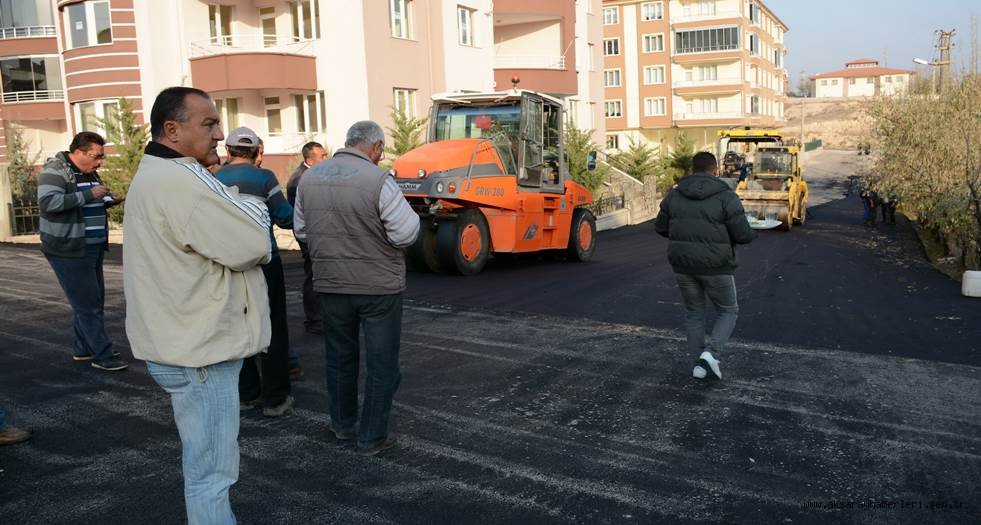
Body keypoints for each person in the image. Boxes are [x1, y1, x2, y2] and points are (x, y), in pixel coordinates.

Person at [123, 87, 273, 524]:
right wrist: (253, 210)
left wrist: (241, 210)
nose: (219, 133)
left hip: (185, 341)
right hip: (199, 351)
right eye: (208, 123)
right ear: (172, 129)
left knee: (207, 470)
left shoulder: (166, 173)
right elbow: (251, 241)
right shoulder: (180, 182)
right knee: (211, 475)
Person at [295, 121, 419, 456]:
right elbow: (406, 233)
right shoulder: (379, 180)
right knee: (381, 364)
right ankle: (372, 436)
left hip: (331, 284)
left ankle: (342, 425)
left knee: (338, 357)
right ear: (376, 147)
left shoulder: (309, 178)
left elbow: (302, 231)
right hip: (378, 287)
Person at [654, 152, 756, 381]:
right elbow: (742, 234)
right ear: (715, 169)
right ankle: (711, 354)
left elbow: (660, 228)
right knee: (728, 310)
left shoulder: (674, 195)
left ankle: (699, 365)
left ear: (692, 169)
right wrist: (755, 231)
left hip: (683, 265)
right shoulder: (726, 197)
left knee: (694, 312)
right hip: (717, 266)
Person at [213, 127, 294, 417]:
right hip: (264, 261)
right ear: (257, 152)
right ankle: (275, 399)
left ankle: (246, 393)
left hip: (226, 263)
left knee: (237, 326)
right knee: (272, 326)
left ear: (228, 151)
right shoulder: (264, 178)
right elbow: (285, 218)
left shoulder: (213, 178)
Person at [38, 132, 126, 371]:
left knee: (90, 300)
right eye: (97, 156)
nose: (100, 162)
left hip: (92, 247)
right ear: (80, 152)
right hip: (69, 248)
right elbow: (48, 203)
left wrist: (107, 200)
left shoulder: (87, 172)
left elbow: (83, 203)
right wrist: (89, 195)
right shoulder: (54, 171)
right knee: (88, 304)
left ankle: (84, 348)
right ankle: (103, 355)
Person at [287, 141, 328, 336]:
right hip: (309, 237)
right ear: (310, 159)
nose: (326, 159)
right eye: (322, 156)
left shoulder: (308, 176)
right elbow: (302, 213)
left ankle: (320, 318)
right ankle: (315, 320)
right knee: (313, 277)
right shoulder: (300, 180)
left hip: (314, 234)